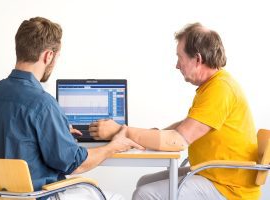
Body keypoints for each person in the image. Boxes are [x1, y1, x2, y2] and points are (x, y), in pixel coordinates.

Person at [0, 17, 144, 200]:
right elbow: (74, 164)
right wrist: (112, 147)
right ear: (48, 56)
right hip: (38, 195)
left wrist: (59, 133)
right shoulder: (42, 103)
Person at [89, 23, 260, 199]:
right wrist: (149, 135)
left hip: (229, 189)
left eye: (180, 57)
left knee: (145, 194)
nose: (177, 65)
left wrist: (119, 130)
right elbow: (183, 127)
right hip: (214, 175)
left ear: (198, 59)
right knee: (144, 183)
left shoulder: (220, 89)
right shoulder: (214, 85)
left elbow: (177, 140)